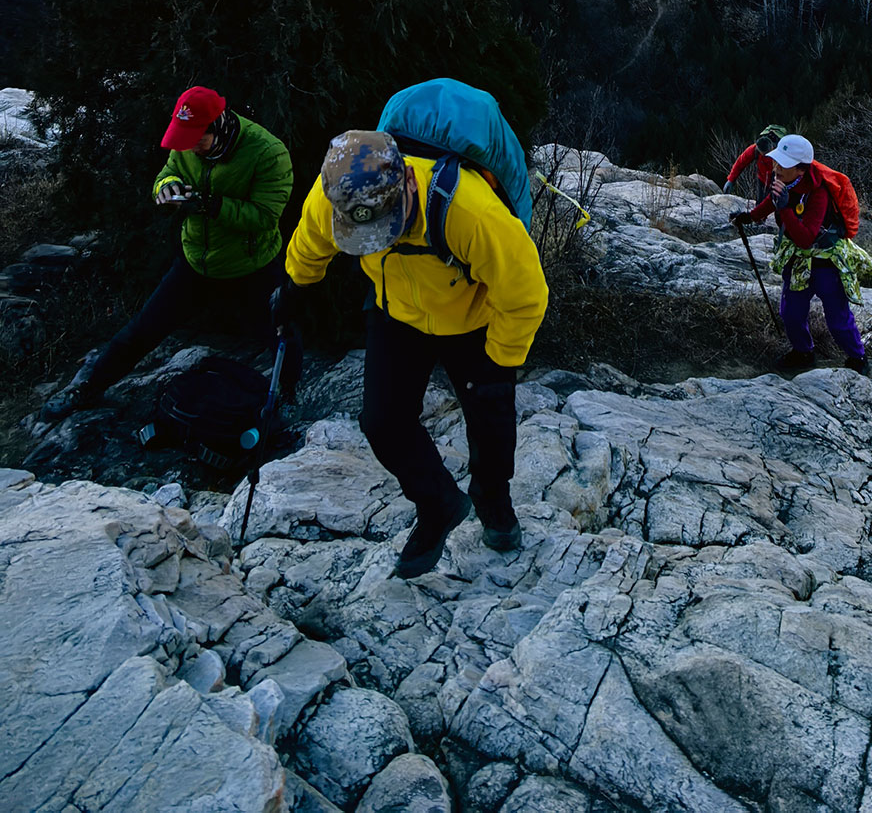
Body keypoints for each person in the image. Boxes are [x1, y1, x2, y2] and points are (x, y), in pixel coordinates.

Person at [273, 129, 549, 580]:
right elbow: (310, 242)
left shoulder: (470, 212)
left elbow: (526, 294)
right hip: (396, 310)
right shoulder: (334, 197)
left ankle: (494, 502)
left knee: (489, 417)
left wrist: (501, 361)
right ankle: (438, 503)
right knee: (382, 422)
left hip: (472, 319)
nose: (376, 240)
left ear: (406, 184)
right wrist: (293, 289)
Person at [41, 86, 295, 421]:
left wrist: (209, 205)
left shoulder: (267, 152)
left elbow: (265, 216)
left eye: (196, 139)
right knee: (142, 329)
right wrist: (167, 188)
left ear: (218, 126)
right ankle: (87, 389)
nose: (189, 146)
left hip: (252, 265)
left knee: (282, 335)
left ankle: (288, 399)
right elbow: (167, 172)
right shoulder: (187, 144)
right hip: (196, 260)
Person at [734, 132, 872, 375]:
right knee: (791, 312)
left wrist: (786, 208)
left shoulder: (819, 193)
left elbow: (806, 239)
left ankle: (857, 358)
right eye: (776, 161)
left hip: (825, 261)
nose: (775, 167)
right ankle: (803, 352)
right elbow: (772, 201)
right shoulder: (788, 182)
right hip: (799, 260)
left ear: (800, 170)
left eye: (782, 164)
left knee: (837, 319)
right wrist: (751, 216)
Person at [724, 123, 786, 206]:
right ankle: (760, 218)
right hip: (762, 179)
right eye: (762, 154)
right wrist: (731, 180)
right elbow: (741, 162)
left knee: (778, 206)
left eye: (766, 154)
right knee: (760, 204)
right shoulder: (754, 150)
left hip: (779, 179)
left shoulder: (782, 152)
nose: (764, 156)